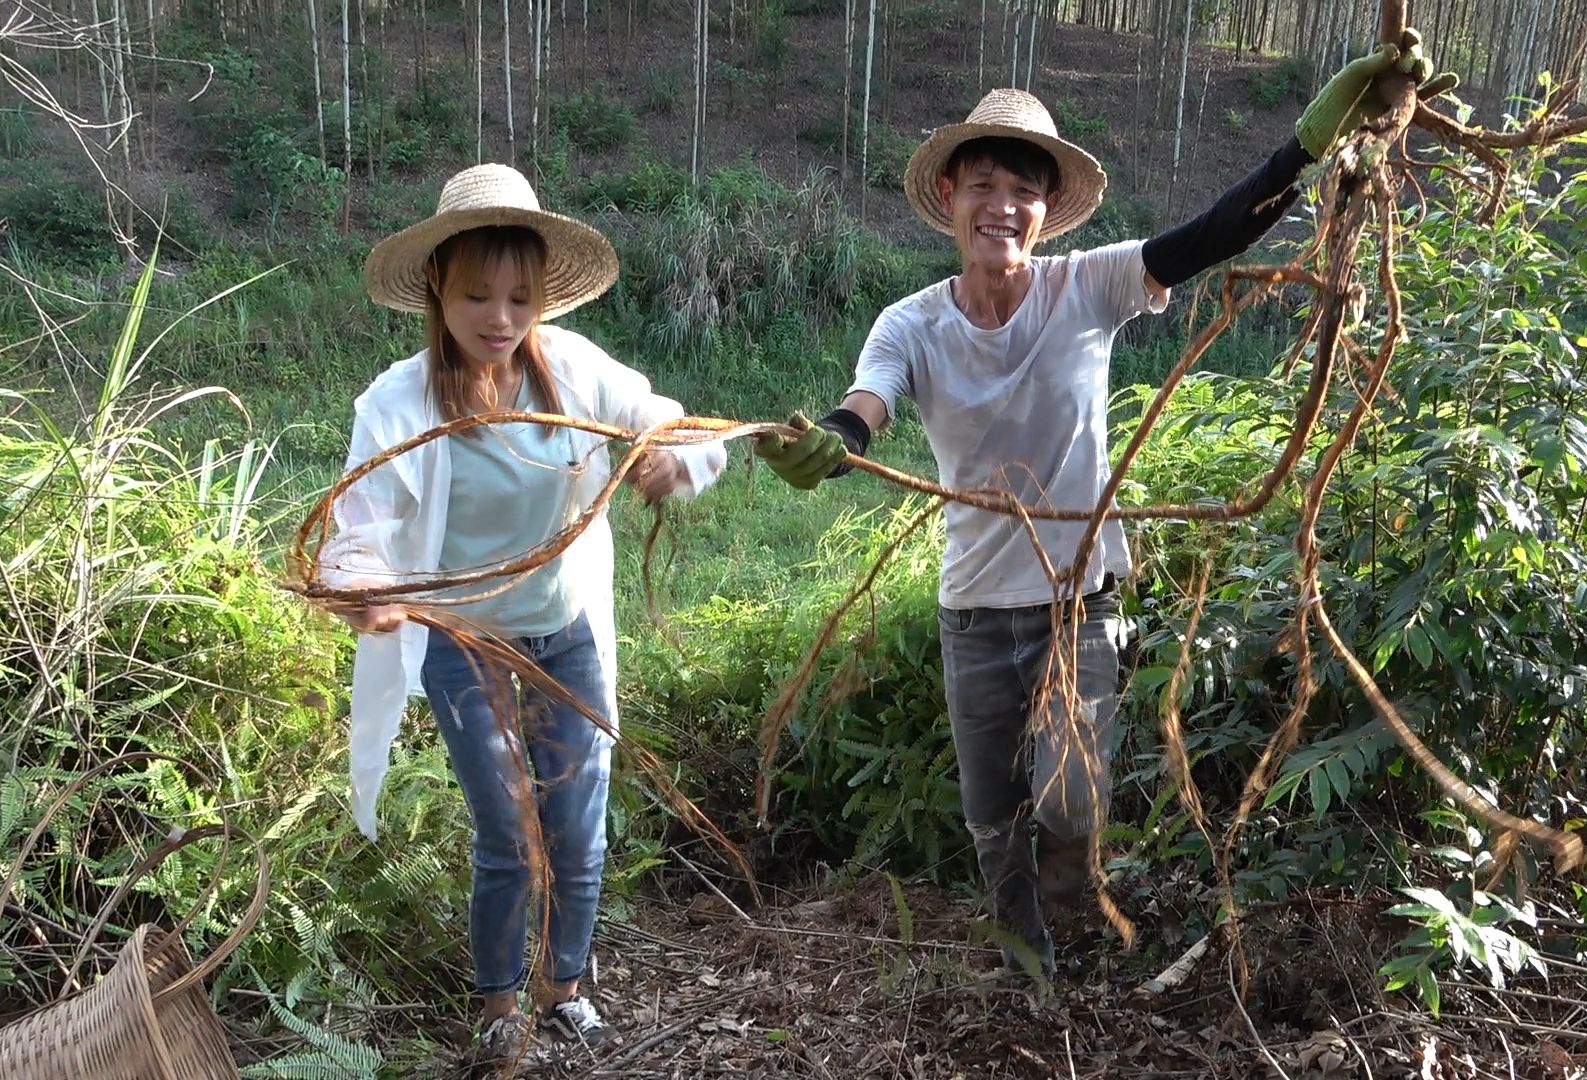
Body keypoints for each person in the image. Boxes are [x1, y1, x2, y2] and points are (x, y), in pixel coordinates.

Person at [756, 35, 1447, 975]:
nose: (1003, 205)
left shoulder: (1089, 287)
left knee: (1072, 800)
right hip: (972, 611)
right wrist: (835, 445)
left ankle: (1067, 915)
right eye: (984, 185)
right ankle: (1025, 961)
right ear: (951, 199)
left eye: (1023, 191)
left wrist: (1308, 146)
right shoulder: (910, 324)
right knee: (990, 812)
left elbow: (1217, 232)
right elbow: (864, 404)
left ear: (1045, 213)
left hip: (1081, 601)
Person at [321, 163, 726, 1054]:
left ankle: (565, 988)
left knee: (578, 823)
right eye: (477, 297)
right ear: (437, 288)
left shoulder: (574, 372)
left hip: (565, 629)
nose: (499, 319)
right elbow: (357, 527)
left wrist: (670, 460)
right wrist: (363, 590)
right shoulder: (398, 403)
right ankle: (499, 1008)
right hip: (465, 641)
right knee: (508, 828)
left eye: (518, 297)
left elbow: (677, 426)